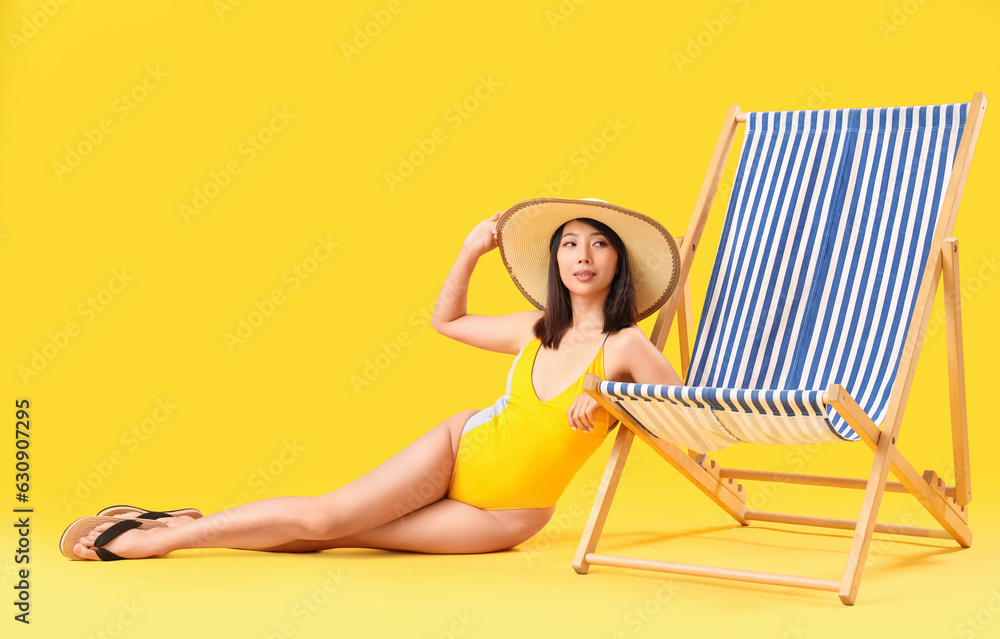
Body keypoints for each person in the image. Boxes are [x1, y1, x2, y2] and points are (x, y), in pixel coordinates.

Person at [60, 197, 684, 561]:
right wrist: (470, 250)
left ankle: (173, 524)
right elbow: (449, 321)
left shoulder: (627, 346)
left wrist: (607, 397)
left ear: (618, 262)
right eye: (569, 243)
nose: (581, 256)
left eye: (598, 244)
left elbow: (684, 423)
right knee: (327, 517)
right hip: (457, 447)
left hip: (503, 517)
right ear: (555, 259)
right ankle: (158, 541)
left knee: (331, 532)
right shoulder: (534, 327)